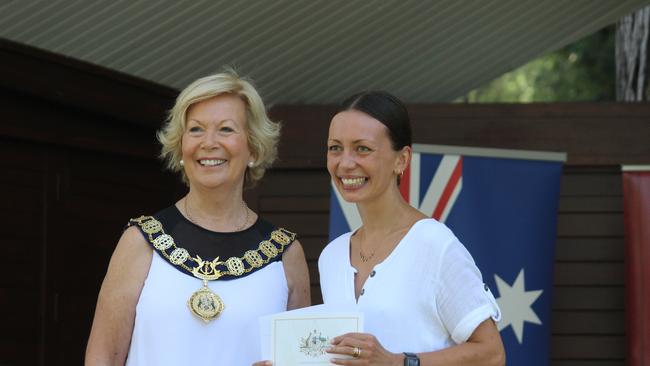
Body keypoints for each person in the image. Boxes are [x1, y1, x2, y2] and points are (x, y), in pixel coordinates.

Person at [85, 70, 310, 366]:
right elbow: (102, 358)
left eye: (226, 129)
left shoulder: (286, 255)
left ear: (253, 147)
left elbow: (303, 361)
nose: (209, 142)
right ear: (181, 147)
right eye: (196, 130)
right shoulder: (139, 241)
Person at [319, 91, 505, 366]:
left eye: (362, 148)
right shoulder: (331, 257)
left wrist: (399, 362)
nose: (345, 162)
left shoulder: (435, 245)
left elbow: (492, 354)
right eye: (335, 147)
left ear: (401, 160)